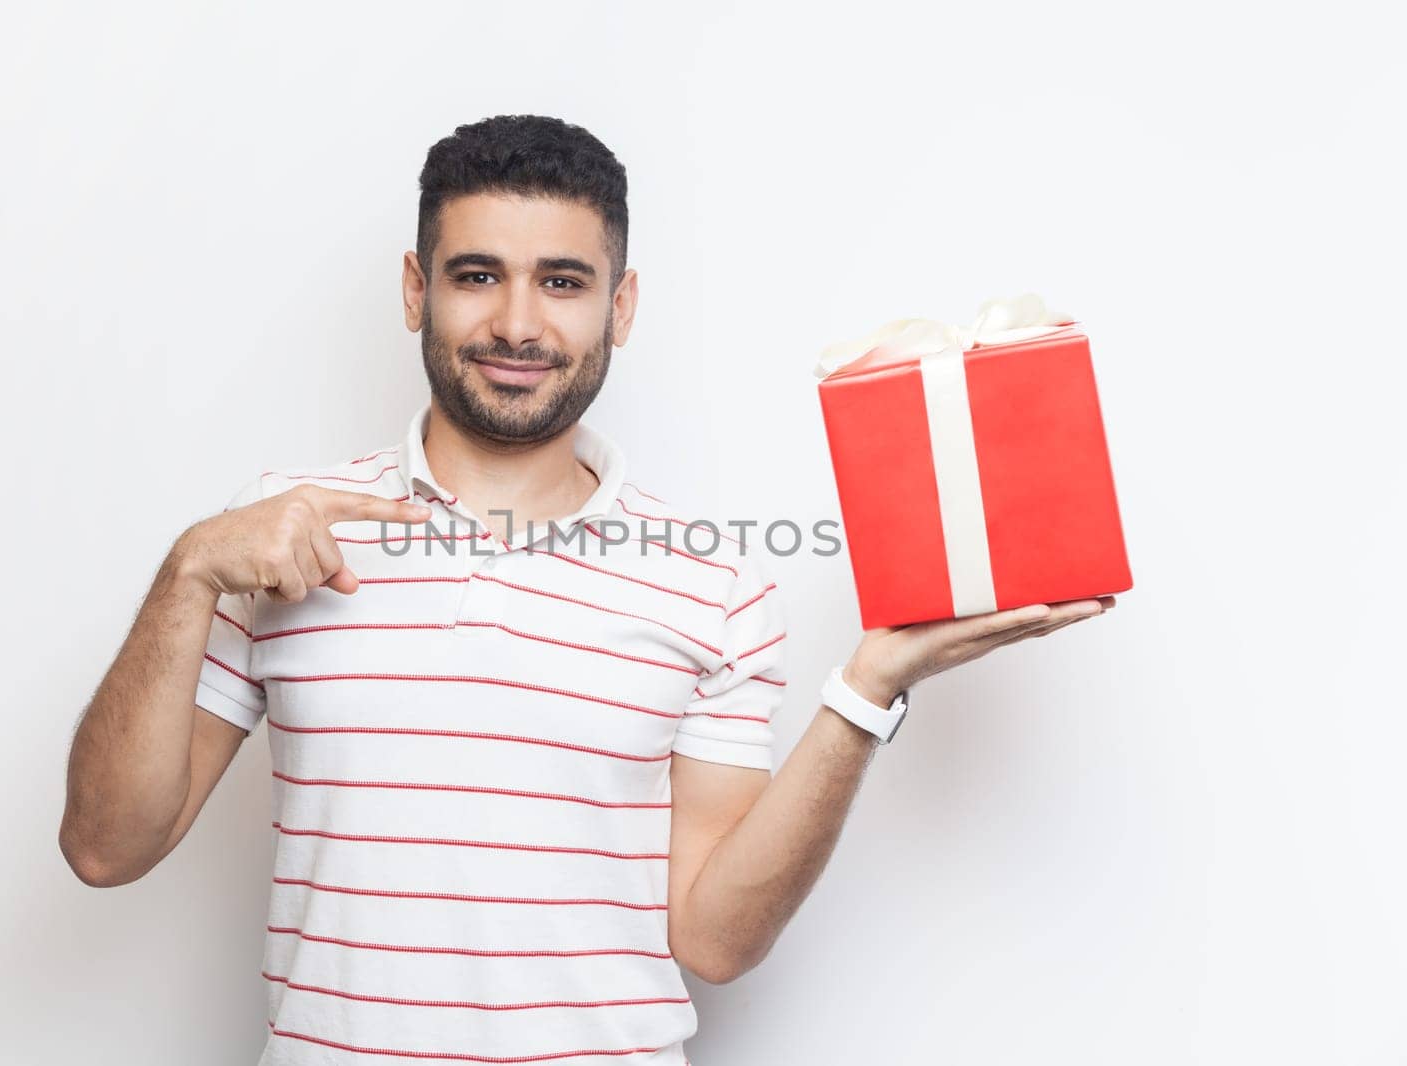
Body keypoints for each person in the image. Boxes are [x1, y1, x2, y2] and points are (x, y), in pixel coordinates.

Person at [58, 114, 1115, 1065]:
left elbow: (712, 937)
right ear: (415, 290)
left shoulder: (714, 585)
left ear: (622, 304)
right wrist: (186, 570)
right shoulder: (274, 531)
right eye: (477, 275)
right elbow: (106, 847)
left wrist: (871, 683)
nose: (519, 323)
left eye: (562, 282)